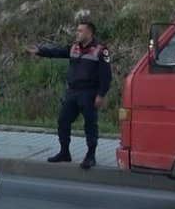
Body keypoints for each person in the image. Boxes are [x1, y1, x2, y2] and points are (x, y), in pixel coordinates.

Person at [26, 20, 113, 169]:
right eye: (77, 30)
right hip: (73, 91)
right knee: (63, 121)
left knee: (90, 124)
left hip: (89, 92)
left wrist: (101, 94)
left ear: (89, 33)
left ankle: (90, 155)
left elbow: (106, 76)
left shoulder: (100, 50)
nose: (77, 33)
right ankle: (64, 152)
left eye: (80, 31)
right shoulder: (74, 47)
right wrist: (40, 51)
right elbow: (59, 51)